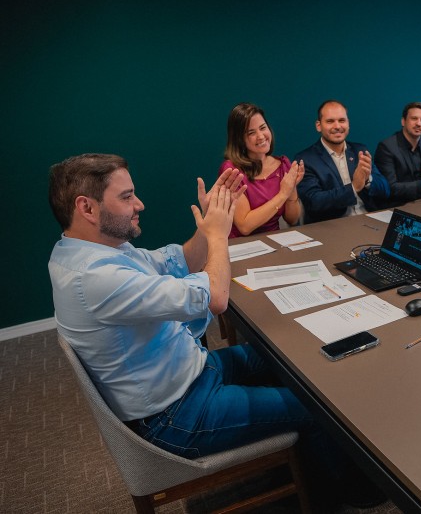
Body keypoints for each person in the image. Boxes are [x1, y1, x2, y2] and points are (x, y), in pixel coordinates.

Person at [47, 154, 382, 508]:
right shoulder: (94, 278)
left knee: (287, 354)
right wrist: (219, 235)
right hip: (176, 416)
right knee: (315, 408)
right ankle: (340, 496)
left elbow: (180, 261)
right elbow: (215, 296)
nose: (139, 204)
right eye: (127, 196)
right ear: (86, 207)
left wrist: (208, 227)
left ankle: (315, 460)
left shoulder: (96, 251)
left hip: (190, 373)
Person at [295, 100, 390, 223]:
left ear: (348, 123)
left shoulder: (360, 151)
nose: (337, 126)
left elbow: (386, 190)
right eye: (330, 121)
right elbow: (314, 202)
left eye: (342, 120)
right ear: (318, 126)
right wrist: (354, 187)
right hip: (334, 226)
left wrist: (367, 180)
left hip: (370, 220)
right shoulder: (305, 159)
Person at [220, 102, 303, 238]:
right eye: (251, 133)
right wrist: (282, 194)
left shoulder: (282, 164)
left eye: (263, 128)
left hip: (276, 242)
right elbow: (245, 226)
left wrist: (292, 189)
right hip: (241, 246)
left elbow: (292, 220)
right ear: (239, 139)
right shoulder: (232, 170)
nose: (261, 136)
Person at [374, 101, 421, 208]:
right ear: (403, 121)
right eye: (414, 118)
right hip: (399, 205)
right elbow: (389, 189)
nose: (419, 123)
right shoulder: (387, 147)